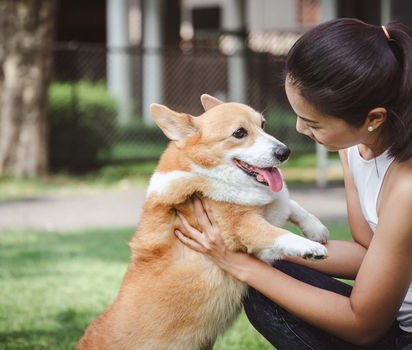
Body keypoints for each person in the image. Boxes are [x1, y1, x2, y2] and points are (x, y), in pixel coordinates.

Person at [175, 18, 412, 349]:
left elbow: (364, 327)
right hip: (391, 322)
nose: (300, 129)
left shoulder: (406, 188)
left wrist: (239, 264)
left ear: (374, 118)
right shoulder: (354, 151)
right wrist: (254, 243)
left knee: (258, 279)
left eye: (313, 122)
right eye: (296, 114)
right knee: (264, 280)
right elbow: (366, 253)